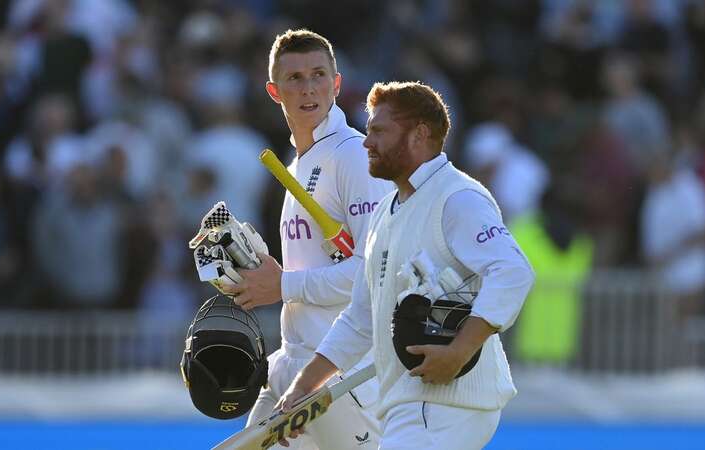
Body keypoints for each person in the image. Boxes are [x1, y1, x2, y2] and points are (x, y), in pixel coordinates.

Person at [277, 81, 535, 450]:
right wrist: (303, 388)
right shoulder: (385, 212)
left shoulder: (458, 197)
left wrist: (459, 351)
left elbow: (513, 272)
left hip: (447, 401)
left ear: (420, 135)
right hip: (409, 403)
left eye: (379, 131)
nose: (367, 143)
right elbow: (360, 318)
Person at [220, 29, 392, 450]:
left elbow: (373, 272)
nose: (308, 87)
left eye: (318, 75)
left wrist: (280, 285)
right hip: (294, 367)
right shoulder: (299, 163)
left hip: (341, 379)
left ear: (337, 84)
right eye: (294, 78)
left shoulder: (353, 155)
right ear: (274, 91)